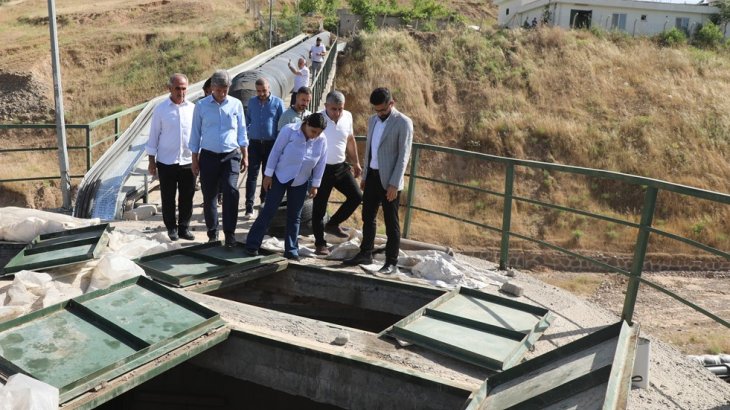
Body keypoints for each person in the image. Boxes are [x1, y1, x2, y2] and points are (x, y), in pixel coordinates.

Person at [344, 87, 413, 275]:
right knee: (368, 216)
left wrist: (394, 184)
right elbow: (369, 150)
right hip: (372, 177)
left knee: (392, 223)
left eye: (382, 110)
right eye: (376, 110)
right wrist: (365, 176)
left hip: (390, 180)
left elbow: (403, 157)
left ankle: (391, 262)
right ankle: (366, 252)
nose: (379, 113)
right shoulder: (372, 120)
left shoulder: (403, 123)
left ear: (392, 103)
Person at [245, 113, 328, 261]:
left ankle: (291, 250)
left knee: (295, 216)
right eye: (313, 131)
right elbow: (276, 152)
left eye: (319, 133)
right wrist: (268, 175)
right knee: (269, 211)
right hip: (280, 176)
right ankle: (252, 244)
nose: (315, 135)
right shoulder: (289, 131)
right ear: (306, 123)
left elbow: (321, 162)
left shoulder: (322, 140)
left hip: (301, 180)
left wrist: (315, 184)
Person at [189, 69, 249, 247]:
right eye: (219, 90)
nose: (222, 93)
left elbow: (242, 130)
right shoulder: (201, 106)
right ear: (212, 88)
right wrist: (194, 159)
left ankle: (229, 233)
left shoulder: (236, 104)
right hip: (208, 156)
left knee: (231, 190)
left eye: (225, 90)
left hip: (231, 155)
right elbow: (195, 134)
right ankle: (212, 233)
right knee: (210, 196)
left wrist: (245, 155)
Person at [146, 73, 196, 241]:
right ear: (170, 88)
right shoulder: (161, 110)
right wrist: (151, 161)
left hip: (188, 160)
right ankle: (171, 228)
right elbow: (153, 136)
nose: (181, 92)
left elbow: (198, 135)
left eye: (183, 89)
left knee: (187, 196)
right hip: (166, 161)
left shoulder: (193, 109)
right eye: (177, 88)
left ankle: (184, 227)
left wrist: (198, 158)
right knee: (168, 197)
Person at [311, 91, 363, 256]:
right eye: (334, 109)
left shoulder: (347, 116)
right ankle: (320, 244)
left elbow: (350, 139)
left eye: (340, 109)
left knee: (356, 196)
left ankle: (333, 224)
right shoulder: (317, 118)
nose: (337, 113)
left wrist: (356, 163)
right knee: (319, 208)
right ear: (326, 106)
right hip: (321, 168)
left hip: (340, 167)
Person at [244, 78, 285, 220]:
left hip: (271, 145)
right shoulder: (252, 102)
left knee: (267, 175)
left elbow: (282, 125)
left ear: (269, 88)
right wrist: (248, 133)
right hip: (254, 144)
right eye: (259, 91)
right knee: (252, 175)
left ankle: (264, 202)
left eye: (264, 91)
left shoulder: (278, 103)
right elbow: (247, 120)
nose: (261, 93)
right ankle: (249, 206)